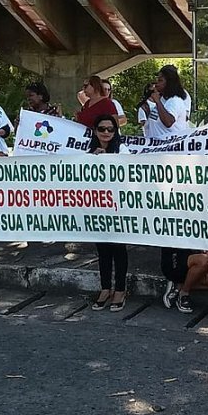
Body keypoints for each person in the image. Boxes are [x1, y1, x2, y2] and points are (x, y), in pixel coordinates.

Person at [87, 114, 130, 312]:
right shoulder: (87, 152)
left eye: (110, 129)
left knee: (118, 249)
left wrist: (107, 159)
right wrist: (92, 160)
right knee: (103, 251)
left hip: (118, 207)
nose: (106, 132)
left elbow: (129, 171)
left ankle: (120, 290)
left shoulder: (122, 149)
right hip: (97, 208)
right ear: (95, 131)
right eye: (102, 129)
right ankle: (105, 289)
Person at [140, 65, 189, 137]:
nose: (156, 83)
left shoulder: (175, 100)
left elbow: (168, 122)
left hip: (169, 143)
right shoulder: (163, 99)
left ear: (169, 83)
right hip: (155, 142)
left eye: (160, 80)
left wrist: (157, 102)